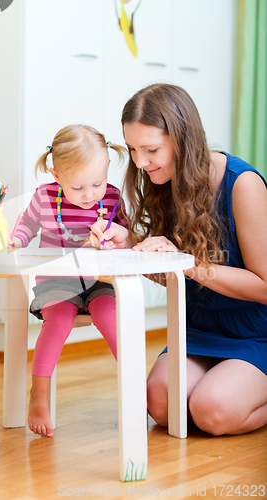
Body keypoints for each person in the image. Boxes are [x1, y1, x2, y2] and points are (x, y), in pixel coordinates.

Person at [91, 83, 267, 436]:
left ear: (182, 140)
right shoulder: (164, 180)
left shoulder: (242, 184)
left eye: (151, 149)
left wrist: (189, 264)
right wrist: (132, 244)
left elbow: (264, 287)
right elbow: (174, 270)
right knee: (160, 404)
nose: (140, 163)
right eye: (133, 149)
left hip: (254, 332)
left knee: (211, 411)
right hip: (198, 328)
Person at [8, 124, 127, 437]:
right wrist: (17, 241)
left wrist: (116, 238)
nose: (89, 195)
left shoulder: (112, 198)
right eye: (78, 188)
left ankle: (133, 393)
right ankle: (38, 396)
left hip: (99, 282)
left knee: (112, 319)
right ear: (57, 175)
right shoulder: (45, 197)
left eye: (97, 183)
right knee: (58, 320)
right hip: (56, 282)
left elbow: (126, 235)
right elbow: (26, 225)